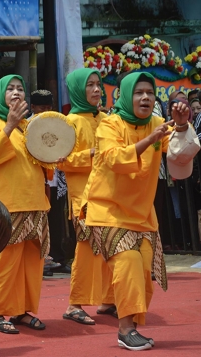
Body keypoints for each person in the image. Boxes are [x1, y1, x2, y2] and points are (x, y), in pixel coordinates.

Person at [82, 72, 198, 350]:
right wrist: (149, 140)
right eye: (138, 92)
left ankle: (130, 324)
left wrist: (181, 127)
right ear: (124, 95)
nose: (145, 97)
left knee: (144, 275)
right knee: (129, 264)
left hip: (142, 215)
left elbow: (179, 159)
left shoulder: (158, 123)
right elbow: (112, 159)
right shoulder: (109, 124)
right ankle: (125, 329)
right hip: (107, 210)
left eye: (149, 92)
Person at [0, 74, 49, 334]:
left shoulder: (29, 126)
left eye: (20, 88)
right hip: (8, 203)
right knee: (7, 260)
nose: (16, 92)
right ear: (0, 95)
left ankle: (21, 310)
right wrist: (8, 125)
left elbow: (43, 162)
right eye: (10, 89)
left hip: (35, 202)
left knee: (32, 260)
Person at [58, 68, 115, 325]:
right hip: (84, 197)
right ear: (79, 90)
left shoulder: (107, 118)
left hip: (110, 194)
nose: (95, 90)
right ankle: (74, 304)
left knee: (111, 248)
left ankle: (108, 300)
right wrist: (91, 153)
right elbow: (62, 161)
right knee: (85, 250)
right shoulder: (70, 122)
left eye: (98, 84)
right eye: (89, 85)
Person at [30, 90, 69, 274]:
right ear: (32, 107)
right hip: (37, 180)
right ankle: (42, 259)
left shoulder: (59, 124)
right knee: (39, 222)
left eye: (48, 107)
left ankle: (59, 258)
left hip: (57, 178)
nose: (46, 110)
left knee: (56, 220)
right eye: (41, 107)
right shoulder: (27, 126)